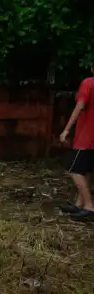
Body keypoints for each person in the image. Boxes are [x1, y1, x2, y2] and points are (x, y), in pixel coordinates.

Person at [59, 67, 94, 221]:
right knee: (87, 170)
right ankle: (79, 204)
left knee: (74, 169)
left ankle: (89, 206)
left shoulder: (88, 83)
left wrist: (66, 129)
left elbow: (79, 106)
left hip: (87, 136)